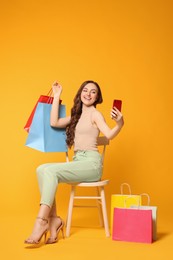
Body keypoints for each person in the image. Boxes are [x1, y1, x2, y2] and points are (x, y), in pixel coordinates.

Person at [24, 80, 124, 245]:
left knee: (49, 171)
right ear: (80, 93)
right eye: (85, 90)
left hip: (91, 165)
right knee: (41, 169)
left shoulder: (95, 114)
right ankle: (54, 220)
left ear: (97, 97)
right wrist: (57, 95)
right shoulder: (76, 116)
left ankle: (42, 221)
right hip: (78, 162)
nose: (88, 94)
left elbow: (109, 134)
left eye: (93, 92)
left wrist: (120, 123)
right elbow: (54, 123)